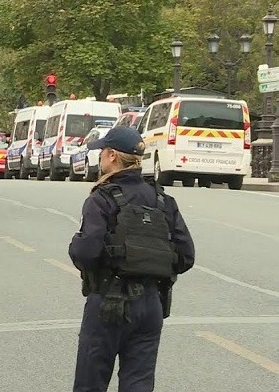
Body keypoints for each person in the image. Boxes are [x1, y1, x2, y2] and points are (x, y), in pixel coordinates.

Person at [69, 126, 195, 392]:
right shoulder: (163, 201)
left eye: (103, 151)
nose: (100, 157)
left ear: (112, 155)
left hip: (108, 302)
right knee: (138, 384)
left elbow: (86, 252)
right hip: (151, 305)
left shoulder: (101, 199)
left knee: (91, 383)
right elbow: (186, 256)